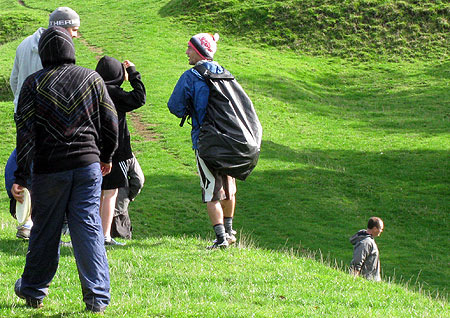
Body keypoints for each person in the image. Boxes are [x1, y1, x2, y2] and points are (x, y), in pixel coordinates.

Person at [12, 27, 118, 312]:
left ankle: (33, 290)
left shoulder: (33, 84)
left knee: (45, 230)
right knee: (88, 228)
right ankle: (97, 298)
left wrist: (21, 175)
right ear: (71, 49)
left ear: (44, 53)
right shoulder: (91, 79)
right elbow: (110, 122)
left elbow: (25, 133)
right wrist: (106, 156)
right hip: (87, 165)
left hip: (49, 169)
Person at [9, 6, 80, 239]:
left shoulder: (23, 44)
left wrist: (21, 105)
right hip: (51, 120)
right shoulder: (56, 48)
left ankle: (27, 221)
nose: (76, 35)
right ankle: (46, 223)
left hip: (24, 115)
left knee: (27, 164)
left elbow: (15, 81)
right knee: (47, 168)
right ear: (61, 27)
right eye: (74, 29)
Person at [168, 33, 238, 249]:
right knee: (229, 187)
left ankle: (220, 239)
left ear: (199, 51)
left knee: (211, 191)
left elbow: (175, 106)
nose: (187, 52)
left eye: (189, 48)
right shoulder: (226, 73)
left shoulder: (191, 76)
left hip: (204, 140)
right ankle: (230, 231)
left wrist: (191, 110)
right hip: (228, 140)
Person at [95, 56, 146, 245]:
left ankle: (96, 234)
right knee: (110, 193)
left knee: (98, 193)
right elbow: (140, 97)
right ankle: (105, 235)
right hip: (116, 151)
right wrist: (133, 73)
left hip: (94, 150)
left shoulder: (94, 91)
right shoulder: (116, 94)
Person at [111, 154, 145, 239]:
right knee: (120, 245)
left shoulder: (90, 149)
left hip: (92, 208)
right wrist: (129, 196)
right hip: (118, 208)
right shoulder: (125, 152)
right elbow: (138, 180)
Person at [350, 217, 385, 281]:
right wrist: (354, 278)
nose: (381, 231)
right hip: (366, 279)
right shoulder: (366, 242)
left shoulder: (368, 240)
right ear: (374, 229)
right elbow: (358, 260)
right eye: (381, 229)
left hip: (369, 279)